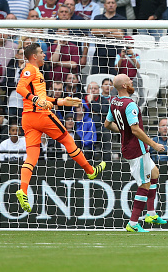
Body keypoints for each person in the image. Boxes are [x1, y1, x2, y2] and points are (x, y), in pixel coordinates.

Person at [14, 44, 106, 213]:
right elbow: (20, 88)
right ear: (34, 56)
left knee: (32, 156)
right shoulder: (30, 70)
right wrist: (36, 100)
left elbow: (41, 96)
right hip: (41, 115)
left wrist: (60, 101)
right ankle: (90, 170)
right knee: (67, 139)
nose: (44, 55)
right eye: (41, 53)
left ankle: (23, 190)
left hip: (28, 119)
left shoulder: (37, 72)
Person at [104, 74, 167, 232]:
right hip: (136, 150)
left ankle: (151, 213)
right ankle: (132, 223)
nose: (132, 82)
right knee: (144, 184)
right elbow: (135, 129)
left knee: (154, 172)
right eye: (129, 80)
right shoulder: (130, 105)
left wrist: (123, 132)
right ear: (124, 86)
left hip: (131, 147)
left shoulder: (114, 102)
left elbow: (107, 124)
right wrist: (154, 144)